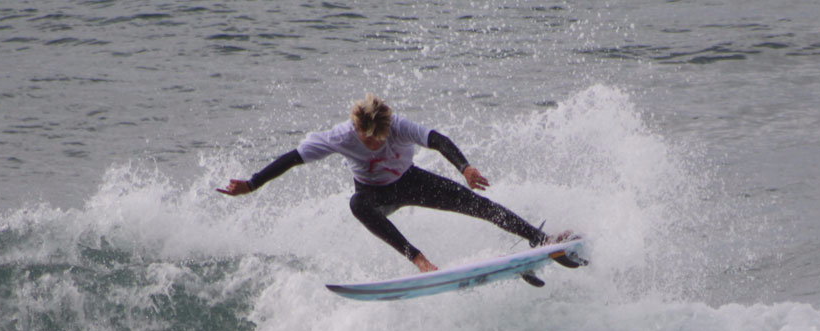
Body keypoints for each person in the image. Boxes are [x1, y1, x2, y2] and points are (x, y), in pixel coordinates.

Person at [217, 94, 573, 273]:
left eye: (379, 138)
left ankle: (540, 239)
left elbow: (436, 139)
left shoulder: (399, 125)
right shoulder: (338, 137)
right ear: (356, 129)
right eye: (367, 139)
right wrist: (252, 183)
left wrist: (464, 167)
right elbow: (292, 158)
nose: (374, 143)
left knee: (478, 205)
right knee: (356, 205)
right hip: (374, 194)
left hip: (411, 181)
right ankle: (418, 259)